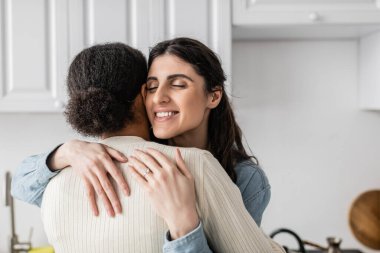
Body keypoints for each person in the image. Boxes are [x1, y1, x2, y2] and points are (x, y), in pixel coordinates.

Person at [12, 39, 273, 252]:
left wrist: (184, 224)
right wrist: (65, 151)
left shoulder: (241, 177)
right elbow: (21, 185)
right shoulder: (93, 163)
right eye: (151, 87)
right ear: (140, 96)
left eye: (179, 84)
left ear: (213, 95)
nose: (159, 97)